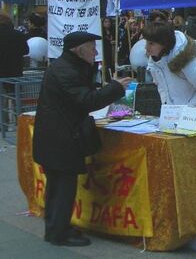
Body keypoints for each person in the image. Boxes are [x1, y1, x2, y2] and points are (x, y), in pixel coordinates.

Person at [32, 31, 132, 246]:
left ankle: (58, 227)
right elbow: (86, 100)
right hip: (61, 138)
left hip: (57, 136)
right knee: (63, 188)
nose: (96, 52)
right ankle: (58, 233)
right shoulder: (66, 71)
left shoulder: (69, 67)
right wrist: (116, 88)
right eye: (92, 47)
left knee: (58, 187)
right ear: (78, 49)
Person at [143, 21, 196, 119]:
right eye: (146, 42)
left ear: (164, 44)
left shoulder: (186, 60)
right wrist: (169, 112)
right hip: (179, 118)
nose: (146, 47)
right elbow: (163, 89)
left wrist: (188, 112)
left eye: (151, 43)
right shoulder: (155, 62)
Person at [0, 11, 29, 131]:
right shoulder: (18, 35)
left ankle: (3, 126)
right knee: (17, 99)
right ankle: (20, 125)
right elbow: (26, 51)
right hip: (15, 72)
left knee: (2, 101)